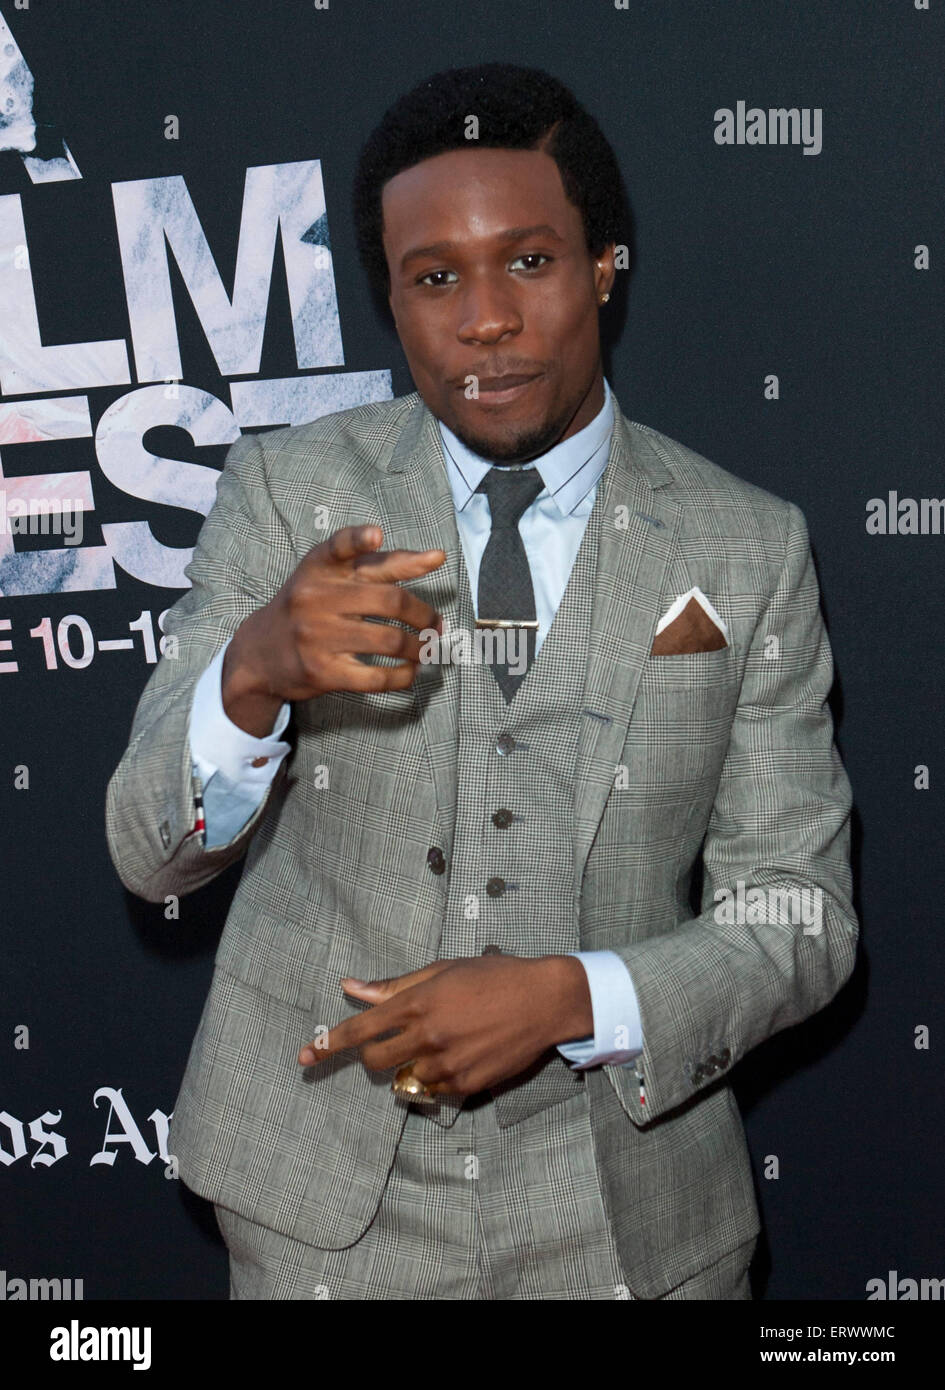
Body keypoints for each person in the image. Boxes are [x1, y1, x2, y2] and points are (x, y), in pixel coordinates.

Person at [105, 62, 857, 1300]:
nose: (486, 319)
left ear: (606, 264)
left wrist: (573, 994)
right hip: (318, 1211)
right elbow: (151, 851)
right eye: (435, 277)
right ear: (391, 300)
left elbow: (800, 913)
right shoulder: (288, 495)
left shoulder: (746, 544)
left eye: (531, 261)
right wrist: (251, 675)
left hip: (630, 1222)